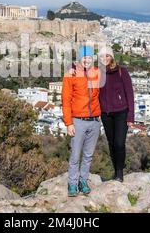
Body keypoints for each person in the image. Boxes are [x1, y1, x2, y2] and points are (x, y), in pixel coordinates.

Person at [61, 45, 101, 197]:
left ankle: (83, 181)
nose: (87, 60)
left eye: (89, 57)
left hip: (95, 120)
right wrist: (68, 123)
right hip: (78, 120)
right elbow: (66, 99)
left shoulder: (97, 73)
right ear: (79, 58)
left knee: (88, 155)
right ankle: (72, 183)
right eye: (84, 57)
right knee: (75, 155)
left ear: (93, 59)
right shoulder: (70, 74)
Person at [98, 46, 134, 182]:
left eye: (107, 56)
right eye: (102, 56)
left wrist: (131, 116)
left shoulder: (121, 71)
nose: (104, 59)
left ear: (112, 57)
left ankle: (120, 173)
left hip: (121, 112)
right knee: (111, 143)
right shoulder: (98, 73)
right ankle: (115, 171)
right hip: (105, 113)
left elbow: (129, 94)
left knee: (119, 143)